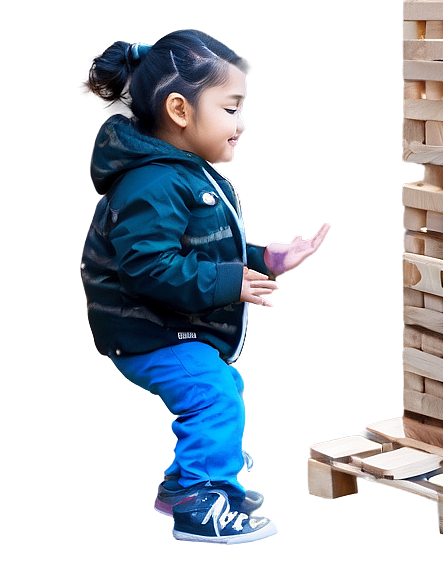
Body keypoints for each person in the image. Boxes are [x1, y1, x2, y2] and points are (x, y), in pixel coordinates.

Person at [80, 30, 331, 542]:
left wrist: (267, 259)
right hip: (146, 332)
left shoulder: (185, 173)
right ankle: (201, 503)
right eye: (233, 109)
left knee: (225, 390)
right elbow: (146, 269)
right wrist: (231, 281)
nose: (244, 124)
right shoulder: (152, 183)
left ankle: (186, 483)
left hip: (169, 327)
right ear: (180, 110)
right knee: (213, 398)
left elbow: (205, 253)